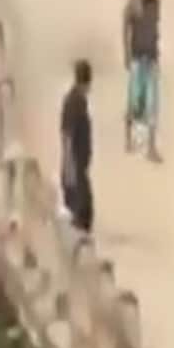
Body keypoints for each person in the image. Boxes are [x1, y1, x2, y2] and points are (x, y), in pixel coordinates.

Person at [122, 0, 163, 161]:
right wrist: (126, 53)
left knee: (153, 103)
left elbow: (156, 26)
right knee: (134, 102)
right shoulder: (135, 0)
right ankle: (128, 139)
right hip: (138, 57)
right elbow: (125, 22)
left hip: (151, 56)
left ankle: (151, 147)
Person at [61, 59, 95, 233]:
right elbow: (68, 134)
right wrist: (69, 166)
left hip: (79, 162)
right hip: (75, 162)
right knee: (81, 207)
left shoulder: (77, 100)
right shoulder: (75, 102)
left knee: (83, 206)